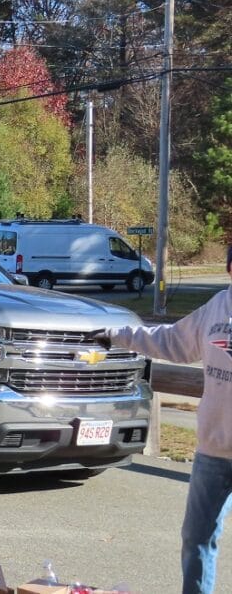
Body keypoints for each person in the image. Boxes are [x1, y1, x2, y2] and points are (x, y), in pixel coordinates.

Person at [96, 246, 232, 594]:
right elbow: (172, 341)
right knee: (197, 538)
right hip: (214, 451)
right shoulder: (218, 307)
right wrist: (118, 335)